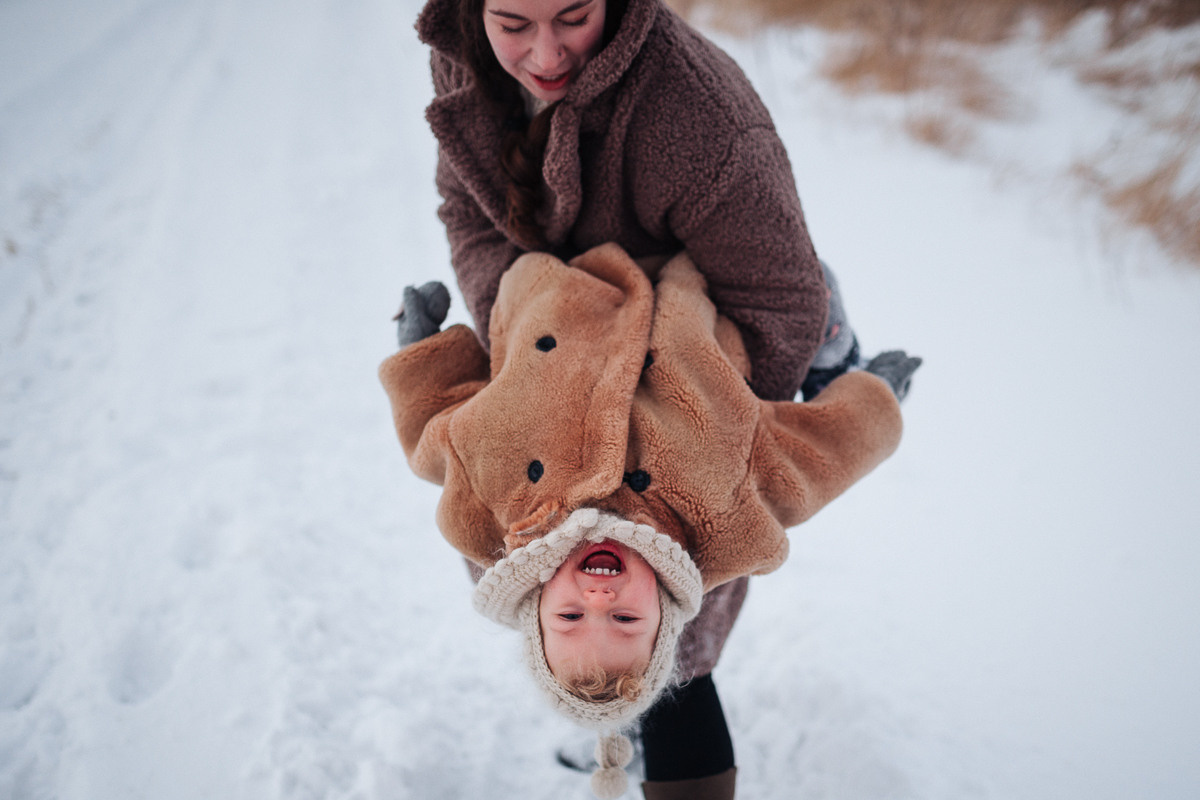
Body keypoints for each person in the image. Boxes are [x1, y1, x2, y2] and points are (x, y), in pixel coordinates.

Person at [381, 244, 919, 799]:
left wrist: (424, 352)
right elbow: (817, 457)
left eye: (570, 615)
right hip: (697, 280)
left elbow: (437, 429)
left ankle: (626, 717)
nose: (597, 596)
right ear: (660, 614)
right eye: (624, 618)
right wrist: (874, 398)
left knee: (643, 677)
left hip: (555, 278)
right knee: (679, 673)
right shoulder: (725, 513)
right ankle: (833, 357)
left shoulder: (493, 505)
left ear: (537, 603)